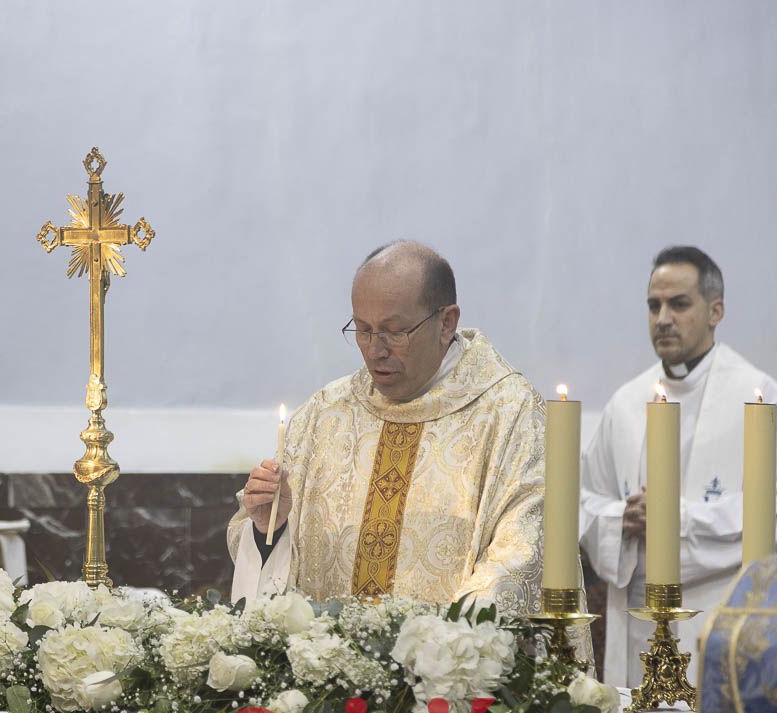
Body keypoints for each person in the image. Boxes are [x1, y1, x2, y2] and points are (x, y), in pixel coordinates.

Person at [227, 240, 563, 620]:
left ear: (447, 322)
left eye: (394, 332)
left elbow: (521, 554)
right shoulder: (325, 414)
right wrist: (270, 524)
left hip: (445, 672)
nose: (374, 350)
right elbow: (262, 562)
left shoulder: (509, 413)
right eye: (363, 330)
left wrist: (438, 650)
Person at [580, 246, 777, 687]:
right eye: (654, 305)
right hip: (638, 617)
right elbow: (586, 501)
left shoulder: (758, 396)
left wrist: (679, 519)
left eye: (679, 304)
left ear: (715, 311)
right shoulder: (626, 403)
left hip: (720, 611)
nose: (663, 317)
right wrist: (620, 518)